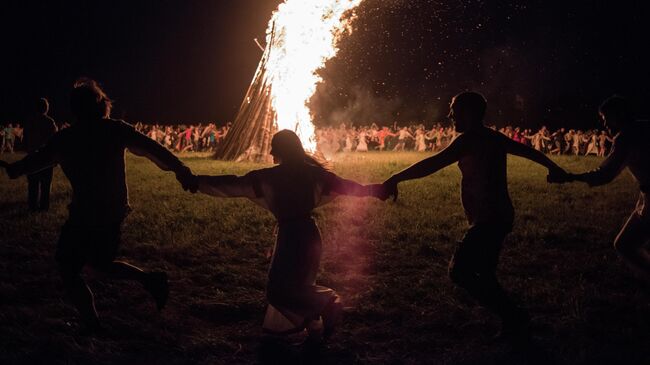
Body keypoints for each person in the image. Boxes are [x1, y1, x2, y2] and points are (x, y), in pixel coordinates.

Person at [0, 79, 197, 333]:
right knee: (99, 264)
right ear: (100, 104)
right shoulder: (114, 130)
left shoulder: (67, 138)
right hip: (111, 211)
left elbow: (37, 160)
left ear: (75, 108)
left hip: (86, 214)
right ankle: (149, 280)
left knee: (69, 268)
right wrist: (181, 170)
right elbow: (154, 149)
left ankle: (93, 324)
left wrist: (13, 169)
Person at [381, 92, 568, 340]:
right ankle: (513, 322)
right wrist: (553, 167)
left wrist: (396, 178)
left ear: (467, 112)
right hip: (499, 215)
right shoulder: (493, 138)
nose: (449, 116)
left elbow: (432, 164)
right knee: (484, 271)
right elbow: (529, 152)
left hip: (489, 219)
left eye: (453, 110)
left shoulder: (469, 141)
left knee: (459, 271)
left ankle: (514, 316)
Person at [195, 129, 383, 343]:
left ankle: (328, 302)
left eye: (274, 147)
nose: (272, 151)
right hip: (310, 234)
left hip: (292, 237)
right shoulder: (313, 173)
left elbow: (230, 184)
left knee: (278, 291)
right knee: (301, 287)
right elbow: (348, 186)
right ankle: (316, 331)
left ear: (281, 149)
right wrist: (375, 190)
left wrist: (197, 182)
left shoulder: (271, 176)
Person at [553, 96, 650, 281]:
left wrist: (570, 177)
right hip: (646, 196)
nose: (604, 123)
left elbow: (604, 174)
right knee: (626, 243)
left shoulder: (625, 137)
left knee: (625, 244)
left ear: (618, 114)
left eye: (606, 117)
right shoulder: (645, 126)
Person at [22, 98, 58, 211]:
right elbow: (54, 140)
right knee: (45, 184)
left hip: (32, 156)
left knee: (32, 184)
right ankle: (44, 207)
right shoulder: (50, 122)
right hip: (46, 157)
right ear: (46, 108)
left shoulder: (29, 121)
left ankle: (32, 206)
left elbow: (25, 140)